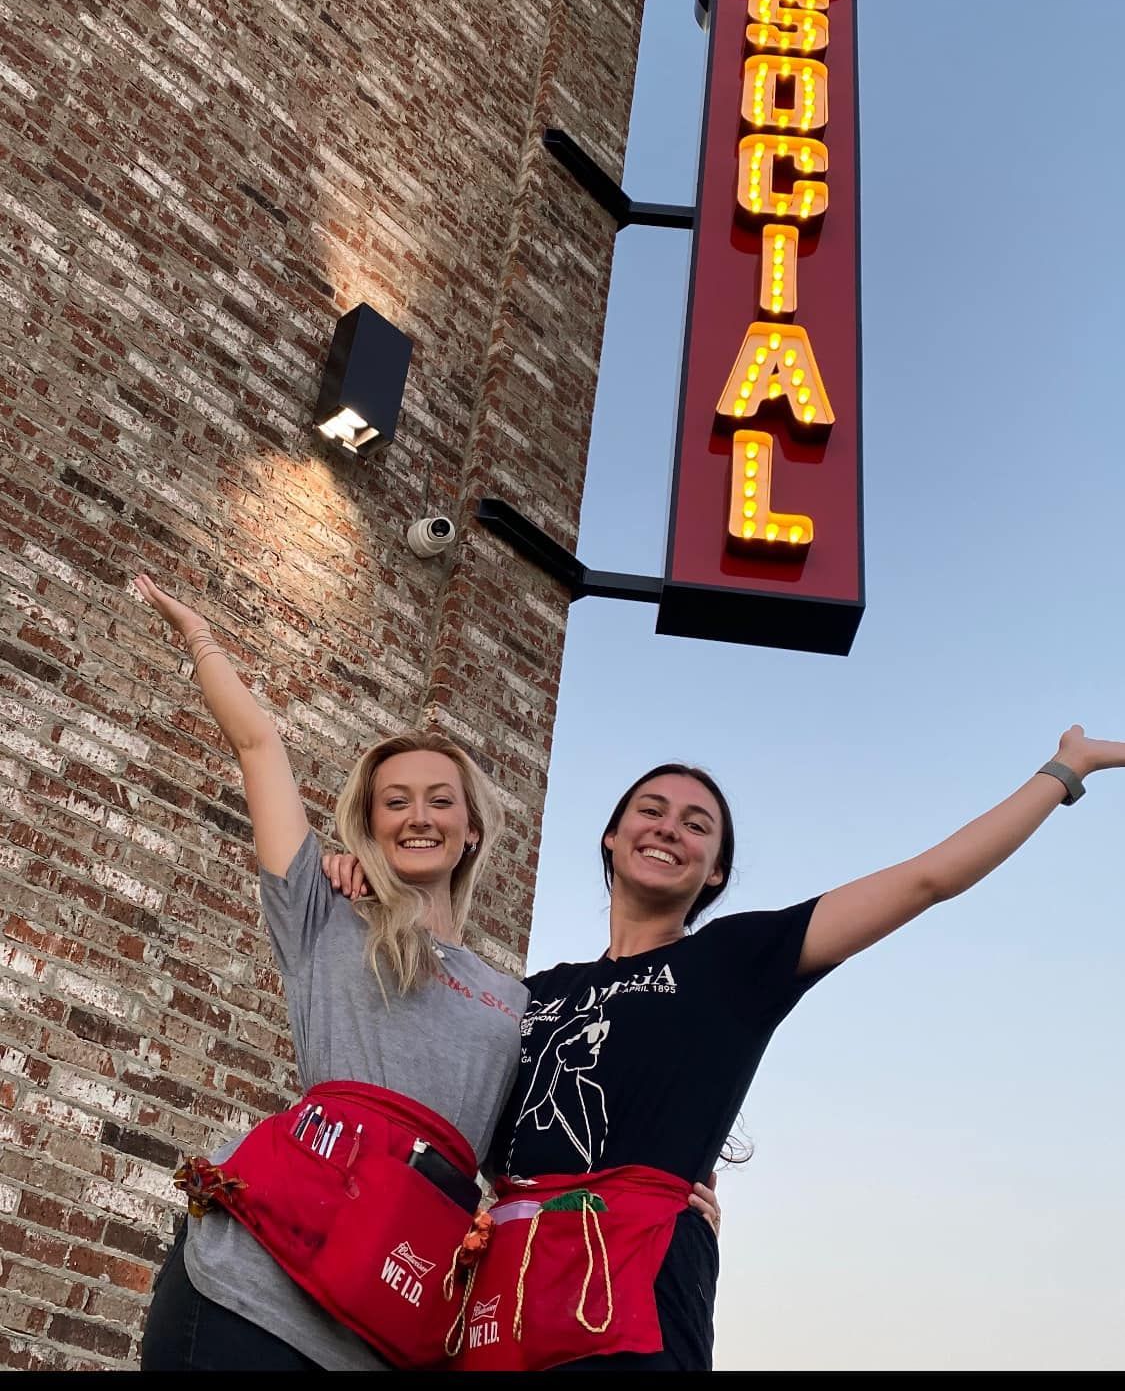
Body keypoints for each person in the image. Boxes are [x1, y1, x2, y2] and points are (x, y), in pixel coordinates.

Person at [323, 729, 1125, 1372]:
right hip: (508, 1284)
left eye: (695, 824)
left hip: (633, 1281)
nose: (668, 827)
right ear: (610, 838)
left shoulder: (737, 961)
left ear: (715, 872)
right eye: (650, 810)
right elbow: (429, 1055)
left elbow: (926, 880)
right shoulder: (529, 993)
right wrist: (354, 875)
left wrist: (1063, 769)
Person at [132, 574, 530, 1372]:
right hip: (249, 1287)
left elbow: (530, 1170)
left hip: (387, 1319)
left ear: (473, 830)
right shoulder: (322, 912)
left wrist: (684, 1213)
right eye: (396, 802)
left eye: (439, 801)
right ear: (373, 825)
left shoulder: (516, 1000)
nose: (418, 815)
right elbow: (258, 746)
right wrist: (202, 639)